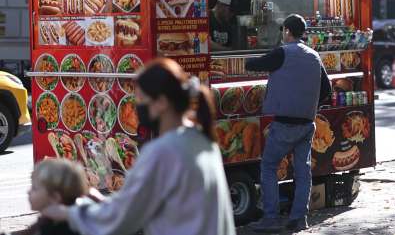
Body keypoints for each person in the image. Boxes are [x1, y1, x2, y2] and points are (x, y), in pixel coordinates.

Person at [41, 58, 236, 235]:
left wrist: (68, 213)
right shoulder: (203, 140)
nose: (137, 107)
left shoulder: (163, 151)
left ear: (161, 103)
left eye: (141, 100)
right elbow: (135, 206)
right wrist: (96, 197)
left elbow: (120, 220)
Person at [246, 14, 332, 233]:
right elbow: (327, 91)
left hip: (284, 123)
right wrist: (308, 104)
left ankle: (271, 218)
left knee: (268, 166)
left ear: (286, 31)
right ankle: (298, 218)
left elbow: (254, 64)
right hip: (307, 123)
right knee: (303, 172)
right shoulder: (314, 56)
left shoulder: (282, 52)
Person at [3, 158, 86, 235]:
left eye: (34, 188)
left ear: (55, 198)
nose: (28, 192)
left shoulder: (54, 229)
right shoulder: (49, 221)